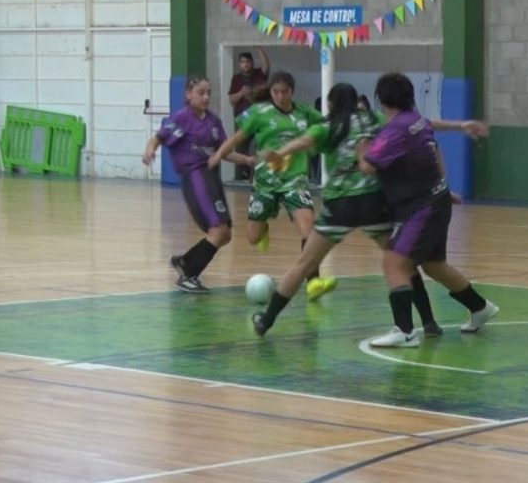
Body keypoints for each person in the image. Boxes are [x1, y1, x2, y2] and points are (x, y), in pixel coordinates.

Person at [251, 82, 489, 339]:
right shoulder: (372, 119)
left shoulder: (326, 126)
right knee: (404, 263)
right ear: (356, 102)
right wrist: (460, 126)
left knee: (304, 264)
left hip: (340, 206)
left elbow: (303, 141)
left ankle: (266, 320)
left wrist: (279, 152)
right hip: (374, 204)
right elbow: (424, 123)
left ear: (330, 104)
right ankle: (428, 322)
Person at [359, 72, 498, 348]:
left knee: (394, 262)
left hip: (420, 208)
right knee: (434, 266)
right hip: (436, 201)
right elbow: (433, 127)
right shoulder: (416, 121)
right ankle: (480, 308)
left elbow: (367, 166)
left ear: (382, 101)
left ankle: (405, 331)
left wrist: (360, 145)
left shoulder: (394, 131)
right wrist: (462, 125)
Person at [142, 76, 254, 292]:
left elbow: (225, 152)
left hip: (211, 178)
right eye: (201, 92)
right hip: (195, 177)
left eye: (209, 92)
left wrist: (247, 160)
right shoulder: (183, 117)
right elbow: (158, 138)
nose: (206, 97)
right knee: (218, 231)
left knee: (225, 234)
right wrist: (150, 150)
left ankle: (184, 262)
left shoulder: (213, 121)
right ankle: (188, 274)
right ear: (188, 94)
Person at [210, 71, 322, 279]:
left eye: (285, 92)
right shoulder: (260, 113)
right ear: (270, 91)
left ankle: (313, 280)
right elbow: (237, 138)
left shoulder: (305, 113)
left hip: (295, 180)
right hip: (265, 182)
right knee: (253, 237)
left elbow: (326, 127)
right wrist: (219, 154)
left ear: (292, 92)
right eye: (275, 92)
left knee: (308, 226)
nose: (280, 96)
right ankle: (263, 228)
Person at [227, 47, 270, 180]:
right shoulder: (237, 78)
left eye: (248, 62)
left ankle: (260, 175)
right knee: (240, 147)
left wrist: (259, 48)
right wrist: (241, 93)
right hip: (242, 119)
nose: (245, 64)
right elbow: (231, 99)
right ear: (240, 64)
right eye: (242, 62)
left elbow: (266, 66)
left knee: (261, 145)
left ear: (252, 62)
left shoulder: (258, 74)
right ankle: (241, 176)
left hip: (259, 119)